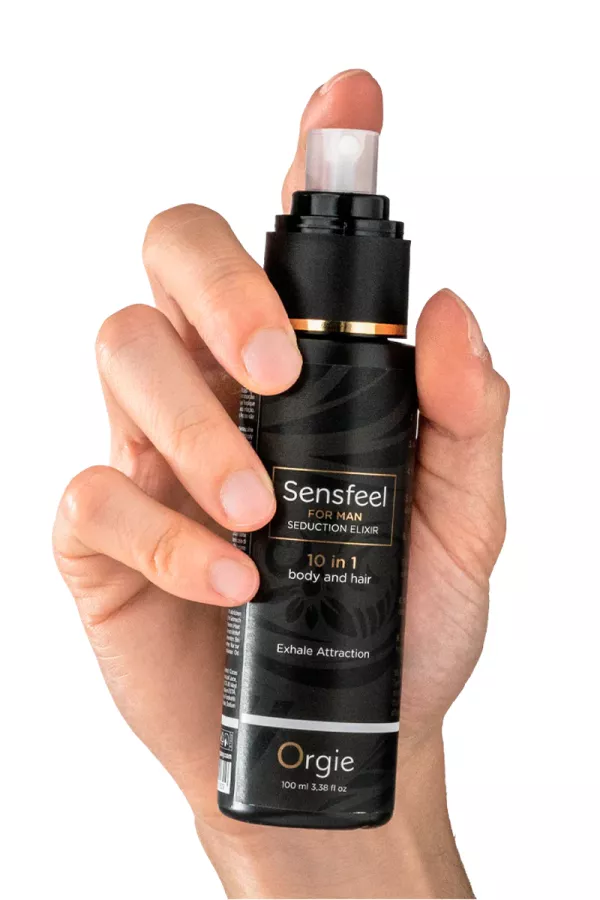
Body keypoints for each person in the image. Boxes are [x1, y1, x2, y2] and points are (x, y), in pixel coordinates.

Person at [52, 69, 509, 899]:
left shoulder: (385, 372)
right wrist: (279, 854)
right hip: (255, 710)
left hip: (366, 736)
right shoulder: (281, 382)